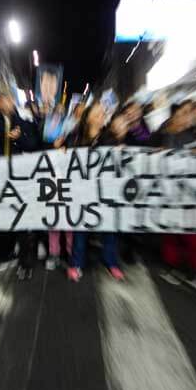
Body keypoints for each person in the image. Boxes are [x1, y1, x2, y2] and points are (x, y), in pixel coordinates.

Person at [65, 98, 126, 282]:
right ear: (88, 118)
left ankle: (111, 262)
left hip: (105, 191)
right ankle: (76, 263)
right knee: (80, 229)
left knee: (109, 228)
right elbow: (66, 160)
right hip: (82, 191)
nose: (102, 116)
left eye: (103, 113)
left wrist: (121, 152)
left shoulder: (110, 138)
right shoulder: (75, 137)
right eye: (97, 113)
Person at [154, 101, 196, 292]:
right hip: (168, 193)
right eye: (183, 114)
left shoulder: (192, 135)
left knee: (193, 235)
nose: (187, 117)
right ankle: (171, 266)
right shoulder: (161, 136)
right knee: (171, 232)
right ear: (174, 116)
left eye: (189, 114)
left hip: (191, 193)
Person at [0, 91, 38, 280]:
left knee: (22, 220)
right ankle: (5, 254)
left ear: (13, 101)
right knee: (3, 218)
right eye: (1, 100)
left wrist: (19, 138)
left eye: (7, 100)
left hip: (20, 178)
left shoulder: (24, 119)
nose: (3, 103)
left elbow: (34, 144)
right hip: (1, 178)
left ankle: (25, 263)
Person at [41, 102, 72, 270]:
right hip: (51, 178)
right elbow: (39, 149)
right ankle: (54, 253)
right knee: (53, 219)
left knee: (68, 220)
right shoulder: (44, 128)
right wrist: (52, 147)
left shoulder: (71, 130)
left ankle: (68, 253)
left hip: (68, 179)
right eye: (56, 111)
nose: (59, 113)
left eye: (62, 111)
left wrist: (66, 148)